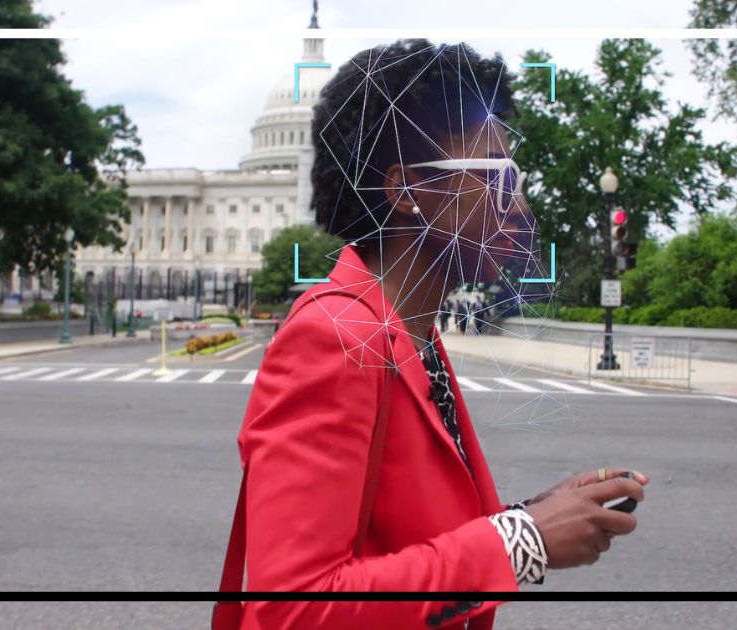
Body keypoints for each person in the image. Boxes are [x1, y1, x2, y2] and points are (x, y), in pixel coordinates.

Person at [217, 40, 649, 630]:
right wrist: (519, 542)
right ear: (407, 190)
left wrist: (535, 516)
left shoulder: (409, 333)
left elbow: (403, 539)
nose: (519, 206)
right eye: (500, 177)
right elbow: (297, 606)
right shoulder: (335, 338)